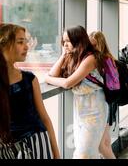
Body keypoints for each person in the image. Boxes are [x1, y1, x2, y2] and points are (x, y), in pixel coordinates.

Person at [46, 25, 106, 159]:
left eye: (68, 41)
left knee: (83, 154)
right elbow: (53, 74)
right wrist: (63, 55)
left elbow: (67, 83)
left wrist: (48, 79)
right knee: (88, 152)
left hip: (95, 111)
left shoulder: (91, 58)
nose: (65, 44)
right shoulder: (73, 57)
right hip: (80, 111)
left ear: (78, 40)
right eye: (63, 41)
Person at [0, 24, 59, 159]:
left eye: (25, 42)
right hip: (6, 149)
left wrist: (56, 153)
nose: (26, 47)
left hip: (37, 145)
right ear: (4, 44)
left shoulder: (29, 79)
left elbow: (45, 118)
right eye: (20, 42)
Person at [88, 31, 117, 159]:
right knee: (105, 143)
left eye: (93, 45)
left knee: (102, 146)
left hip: (104, 103)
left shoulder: (101, 60)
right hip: (110, 101)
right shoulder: (110, 58)